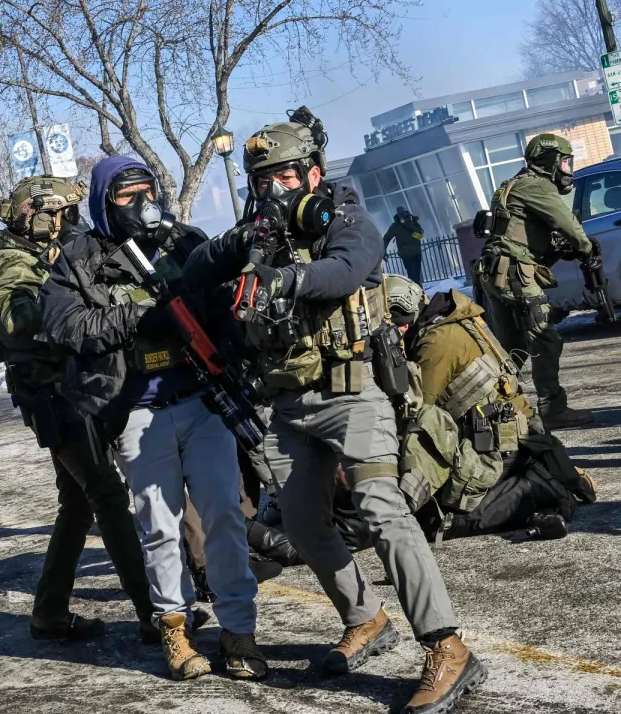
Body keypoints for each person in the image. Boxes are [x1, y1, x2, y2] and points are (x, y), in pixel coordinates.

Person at [185, 109, 485, 714]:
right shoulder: (257, 232)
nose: (272, 189)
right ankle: (365, 618)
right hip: (287, 405)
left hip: (353, 395)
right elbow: (196, 272)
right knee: (301, 525)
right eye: (261, 179)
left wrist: (284, 280)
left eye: (284, 177)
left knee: (382, 510)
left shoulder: (346, 218)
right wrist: (241, 246)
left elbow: (346, 270)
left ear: (312, 175)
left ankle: (447, 647)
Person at [41, 157, 263, 682]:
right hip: (137, 412)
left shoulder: (182, 241)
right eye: (126, 196)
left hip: (204, 400)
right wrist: (141, 318)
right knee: (160, 528)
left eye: (146, 191)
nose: (140, 204)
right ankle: (175, 628)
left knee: (224, 517)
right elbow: (64, 326)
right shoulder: (78, 259)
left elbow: (226, 300)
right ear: (104, 202)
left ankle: (240, 631)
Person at [0, 175, 157, 643]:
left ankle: (49, 613)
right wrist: (62, 292)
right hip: (54, 397)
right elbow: (15, 321)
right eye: (60, 214)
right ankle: (153, 613)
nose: (67, 221)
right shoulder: (11, 262)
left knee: (78, 505)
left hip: (71, 388)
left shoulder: (52, 251)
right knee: (108, 495)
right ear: (37, 218)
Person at [385, 275, 596, 541]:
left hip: (498, 449)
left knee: (431, 520)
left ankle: (534, 488)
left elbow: (414, 412)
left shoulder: (435, 342)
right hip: (518, 436)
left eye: (398, 322)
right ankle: (540, 483)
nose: (398, 329)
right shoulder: (452, 320)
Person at [476, 134, 597, 429]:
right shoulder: (537, 185)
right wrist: (586, 248)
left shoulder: (512, 184)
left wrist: (558, 249)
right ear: (550, 161)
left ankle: (491, 408)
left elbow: (520, 231)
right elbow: (567, 223)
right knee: (545, 339)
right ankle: (553, 409)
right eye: (565, 163)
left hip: (497, 271)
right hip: (514, 273)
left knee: (509, 347)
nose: (568, 169)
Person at [383, 206, 425, 284]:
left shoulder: (413, 221)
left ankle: (418, 288)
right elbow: (386, 238)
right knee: (412, 275)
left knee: (417, 274)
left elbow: (420, 236)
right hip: (406, 254)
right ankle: (416, 288)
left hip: (416, 252)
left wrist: (408, 226)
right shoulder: (396, 226)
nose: (405, 216)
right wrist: (383, 251)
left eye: (405, 214)